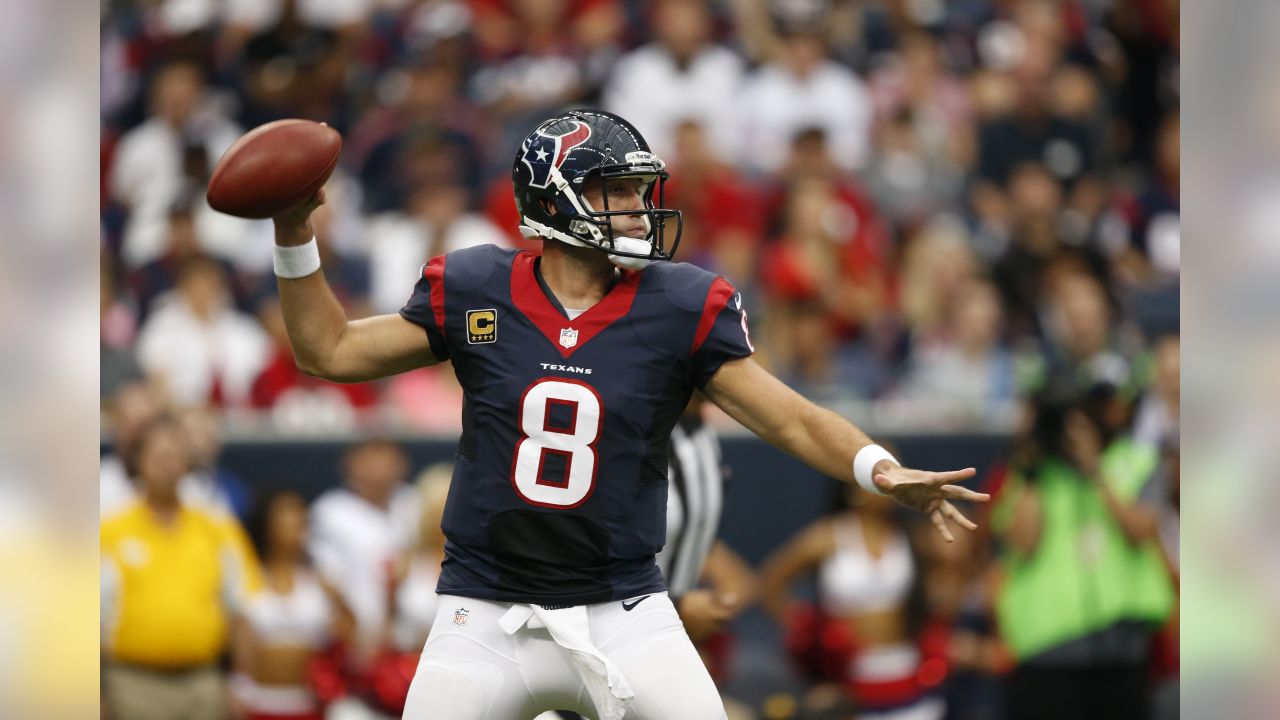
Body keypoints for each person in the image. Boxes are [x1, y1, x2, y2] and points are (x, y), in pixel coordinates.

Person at [266, 109, 987, 719]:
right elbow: (327, 351)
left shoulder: (678, 305)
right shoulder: (477, 286)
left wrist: (878, 469)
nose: (640, 211)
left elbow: (790, 418)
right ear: (552, 201)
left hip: (623, 608)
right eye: (617, 192)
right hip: (484, 611)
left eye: (641, 193)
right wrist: (295, 234)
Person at [100, 415, 262, 720]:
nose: (167, 464)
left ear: (188, 464)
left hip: (202, 682)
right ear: (138, 463)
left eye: (174, 455)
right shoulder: (108, 531)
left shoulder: (218, 528)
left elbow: (241, 610)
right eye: (158, 455)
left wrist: (243, 683)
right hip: (131, 684)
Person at [759, 482, 945, 720]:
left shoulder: (909, 534)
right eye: (885, 476)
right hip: (848, 679)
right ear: (856, 487)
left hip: (906, 670)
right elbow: (771, 582)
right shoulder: (828, 536)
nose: (897, 482)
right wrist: (805, 633)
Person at [232, 491, 352, 720]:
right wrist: (239, 689)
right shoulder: (248, 576)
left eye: (298, 516)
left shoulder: (321, 579)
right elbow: (240, 642)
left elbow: (352, 635)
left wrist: (338, 601)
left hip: (311, 703)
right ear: (267, 524)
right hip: (259, 702)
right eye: (283, 516)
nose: (292, 522)